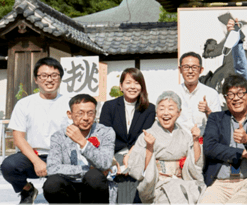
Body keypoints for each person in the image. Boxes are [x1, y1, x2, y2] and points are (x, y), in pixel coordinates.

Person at [0, 57, 71, 204]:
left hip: (61, 157)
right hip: (33, 155)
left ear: (60, 78)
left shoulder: (70, 103)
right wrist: (37, 161)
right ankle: (27, 190)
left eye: (54, 75)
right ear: (36, 79)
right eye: (44, 76)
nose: (49, 80)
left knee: (54, 188)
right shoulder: (24, 104)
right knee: (9, 166)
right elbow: (18, 138)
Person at [199, 75, 247, 204]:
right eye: (231, 94)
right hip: (220, 184)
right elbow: (209, 147)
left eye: (240, 93)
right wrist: (242, 154)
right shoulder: (215, 119)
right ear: (226, 98)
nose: (236, 98)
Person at [128, 91, 205, 204]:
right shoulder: (147, 135)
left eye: (170, 108)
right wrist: (149, 147)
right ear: (156, 112)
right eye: (162, 108)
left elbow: (196, 165)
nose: (166, 113)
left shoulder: (185, 136)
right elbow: (137, 170)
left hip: (182, 183)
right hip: (157, 186)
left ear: (179, 113)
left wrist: (195, 141)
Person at [44, 94, 115, 203]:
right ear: (70, 114)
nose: (86, 118)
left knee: (94, 176)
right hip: (70, 187)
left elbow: (105, 164)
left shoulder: (106, 132)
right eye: (80, 113)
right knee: (52, 183)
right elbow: (52, 168)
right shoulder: (58, 136)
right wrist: (86, 170)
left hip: (95, 188)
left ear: (95, 113)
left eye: (90, 113)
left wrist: (83, 142)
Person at [99, 67, 156, 203]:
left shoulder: (150, 108)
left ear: (142, 87)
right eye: (128, 83)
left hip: (137, 152)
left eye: (137, 83)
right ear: (121, 86)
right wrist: (113, 159)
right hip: (113, 152)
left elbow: (143, 136)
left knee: (132, 172)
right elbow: (104, 135)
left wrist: (129, 156)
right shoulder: (109, 106)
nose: (132, 87)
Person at [176, 51, 221, 135]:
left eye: (194, 67)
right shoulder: (173, 93)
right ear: (180, 69)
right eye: (186, 67)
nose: (190, 71)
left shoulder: (211, 94)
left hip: (202, 142)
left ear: (201, 70)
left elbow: (219, 124)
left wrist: (208, 111)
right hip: (178, 144)